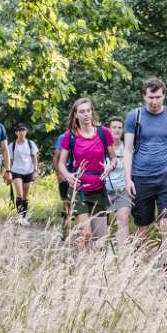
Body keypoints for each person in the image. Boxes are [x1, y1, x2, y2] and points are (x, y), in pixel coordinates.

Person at [116, 78, 167, 264]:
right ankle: (140, 270)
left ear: (164, 95)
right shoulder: (135, 116)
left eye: (158, 97)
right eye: (151, 97)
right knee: (142, 227)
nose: (154, 101)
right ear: (144, 96)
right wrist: (128, 179)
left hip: (166, 176)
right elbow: (128, 149)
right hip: (141, 177)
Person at [58, 98, 116, 252]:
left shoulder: (104, 133)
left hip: (98, 189)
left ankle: (94, 272)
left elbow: (114, 158)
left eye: (88, 111)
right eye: (82, 111)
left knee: (100, 240)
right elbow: (60, 164)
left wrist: (110, 166)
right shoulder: (69, 136)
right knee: (86, 234)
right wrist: (68, 176)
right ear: (76, 115)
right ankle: (82, 268)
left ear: (92, 112)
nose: (86, 114)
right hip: (79, 189)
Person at [5, 125, 38, 219]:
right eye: (19, 130)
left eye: (23, 130)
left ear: (26, 131)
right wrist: (8, 173)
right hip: (16, 171)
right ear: (16, 133)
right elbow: (10, 160)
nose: (21, 132)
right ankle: (19, 217)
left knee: (25, 196)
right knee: (19, 194)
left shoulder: (31, 144)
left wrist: (35, 171)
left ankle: (24, 217)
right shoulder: (12, 145)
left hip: (28, 171)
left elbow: (34, 158)